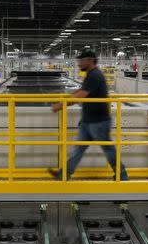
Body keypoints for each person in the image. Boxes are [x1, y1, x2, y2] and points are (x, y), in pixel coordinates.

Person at [48, 50, 128, 180]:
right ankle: (64, 174)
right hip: (88, 121)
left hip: (99, 122)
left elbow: (81, 95)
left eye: (81, 61)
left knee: (108, 149)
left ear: (90, 61)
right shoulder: (91, 74)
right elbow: (80, 91)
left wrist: (61, 105)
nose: (79, 63)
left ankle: (122, 175)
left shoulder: (95, 75)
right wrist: (63, 99)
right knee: (78, 149)